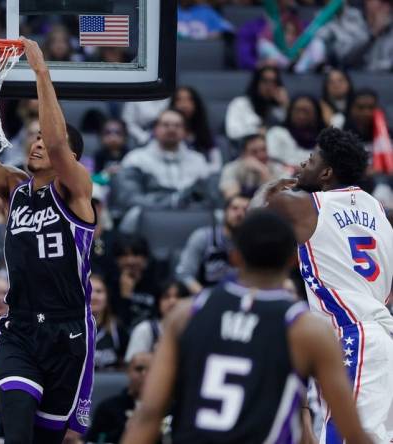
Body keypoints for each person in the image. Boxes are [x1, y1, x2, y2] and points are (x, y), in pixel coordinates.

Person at [0, 37, 96, 443]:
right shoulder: (14, 187)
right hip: (20, 328)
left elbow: (60, 141)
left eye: (45, 141)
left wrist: (41, 72)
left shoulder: (76, 190)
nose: (39, 143)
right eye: (35, 139)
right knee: (16, 431)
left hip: (68, 331)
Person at [123, 210, 373, 444]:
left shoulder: (185, 313)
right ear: (294, 260)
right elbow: (350, 431)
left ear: (235, 256)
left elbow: (148, 414)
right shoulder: (307, 330)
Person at [251, 128, 393, 443]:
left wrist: (271, 187)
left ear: (326, 172)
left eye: (311, 159)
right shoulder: (376, 208)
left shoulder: (308, 206)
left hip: (352, 335)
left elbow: (252, 229)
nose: (303, 163)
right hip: (381, 335)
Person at [110, 110, 211, 215]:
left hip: (191, 217)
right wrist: (173, 201)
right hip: (149, 219)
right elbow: (130, 199)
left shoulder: (198, 160)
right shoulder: (136, 159)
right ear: (155, 129)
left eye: (177, 125)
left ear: (185, 131)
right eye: (165, 125)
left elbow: (207, 199)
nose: (172, 129)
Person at [176, 195, 249, 295]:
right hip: (206, 295)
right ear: (225, 212)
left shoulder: (252, 243)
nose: (240, 214)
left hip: (241, 298)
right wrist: (205, 298)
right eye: (234, 208)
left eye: (245, 210)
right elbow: (184, 274)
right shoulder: (203, 237)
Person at [84, 352, 152, 444]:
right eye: (139, 369)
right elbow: (94, 440)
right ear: (128, 371)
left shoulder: (168, 409)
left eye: (151, 370)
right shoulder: (107, 409)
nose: (144, 374)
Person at [124, 281, 187, 362]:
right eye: (166, 297)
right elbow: (131, 367)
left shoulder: (193, 330)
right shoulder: (144, 330)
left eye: (178, 297)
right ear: (158, 302)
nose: (172, 302)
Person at [225, 66, 288, 141]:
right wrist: (256, 132)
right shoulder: (240, 104)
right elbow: (232, 132)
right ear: (256, 83)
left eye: (273, 82)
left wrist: (286, 105)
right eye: (265, 81)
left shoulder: (279, 109)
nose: (269, 86)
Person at [266, 95, 328, 170]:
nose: (301, 116)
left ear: (317, 114)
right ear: (290, 112)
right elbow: (272, 162)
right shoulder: (277, 133)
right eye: (297, 110)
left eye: (306, 111)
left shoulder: (325, 139)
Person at [219, 134, 288, 199]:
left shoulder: (276, 167)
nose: (261, 155)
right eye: (254, 152)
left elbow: (281, 198)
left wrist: (263, 171)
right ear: (243, 154)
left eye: (264, 150)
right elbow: (232, 199)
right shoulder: (231, 168)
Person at [170, 86, 221, 173]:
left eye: (189, 100)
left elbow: (216, 165)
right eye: (179, 100)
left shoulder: (205, 133)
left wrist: (198, 171)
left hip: (200, 176)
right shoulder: (166, 132)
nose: (184, 105)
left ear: (196, 104)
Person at [90, 274, 129, 371]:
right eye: (88, 290)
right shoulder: (71, 329)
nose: (94, 296)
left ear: (107, 297)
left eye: (99, 291)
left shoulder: (117, 327)